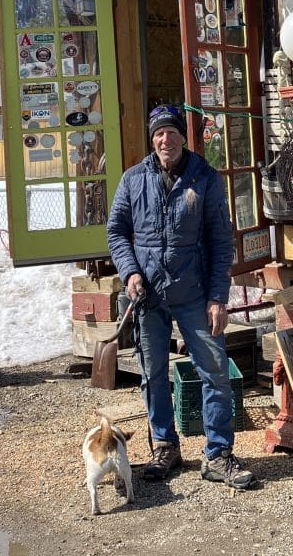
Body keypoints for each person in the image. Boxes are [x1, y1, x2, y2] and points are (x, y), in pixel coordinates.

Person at [107, 104, 254, 489]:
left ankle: (218, 454)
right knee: (153, 375)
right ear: (152, 139)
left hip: (196, 293)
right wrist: (130, 272)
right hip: (149, 295)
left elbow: (222, 241)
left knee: (215, 373)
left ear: (184, 137)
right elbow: (117, 233)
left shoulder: (203, 178)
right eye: (159, 133)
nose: (165, 139)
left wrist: (218, 297)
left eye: (172, 132)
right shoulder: (133, 180)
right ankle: (165, 446)